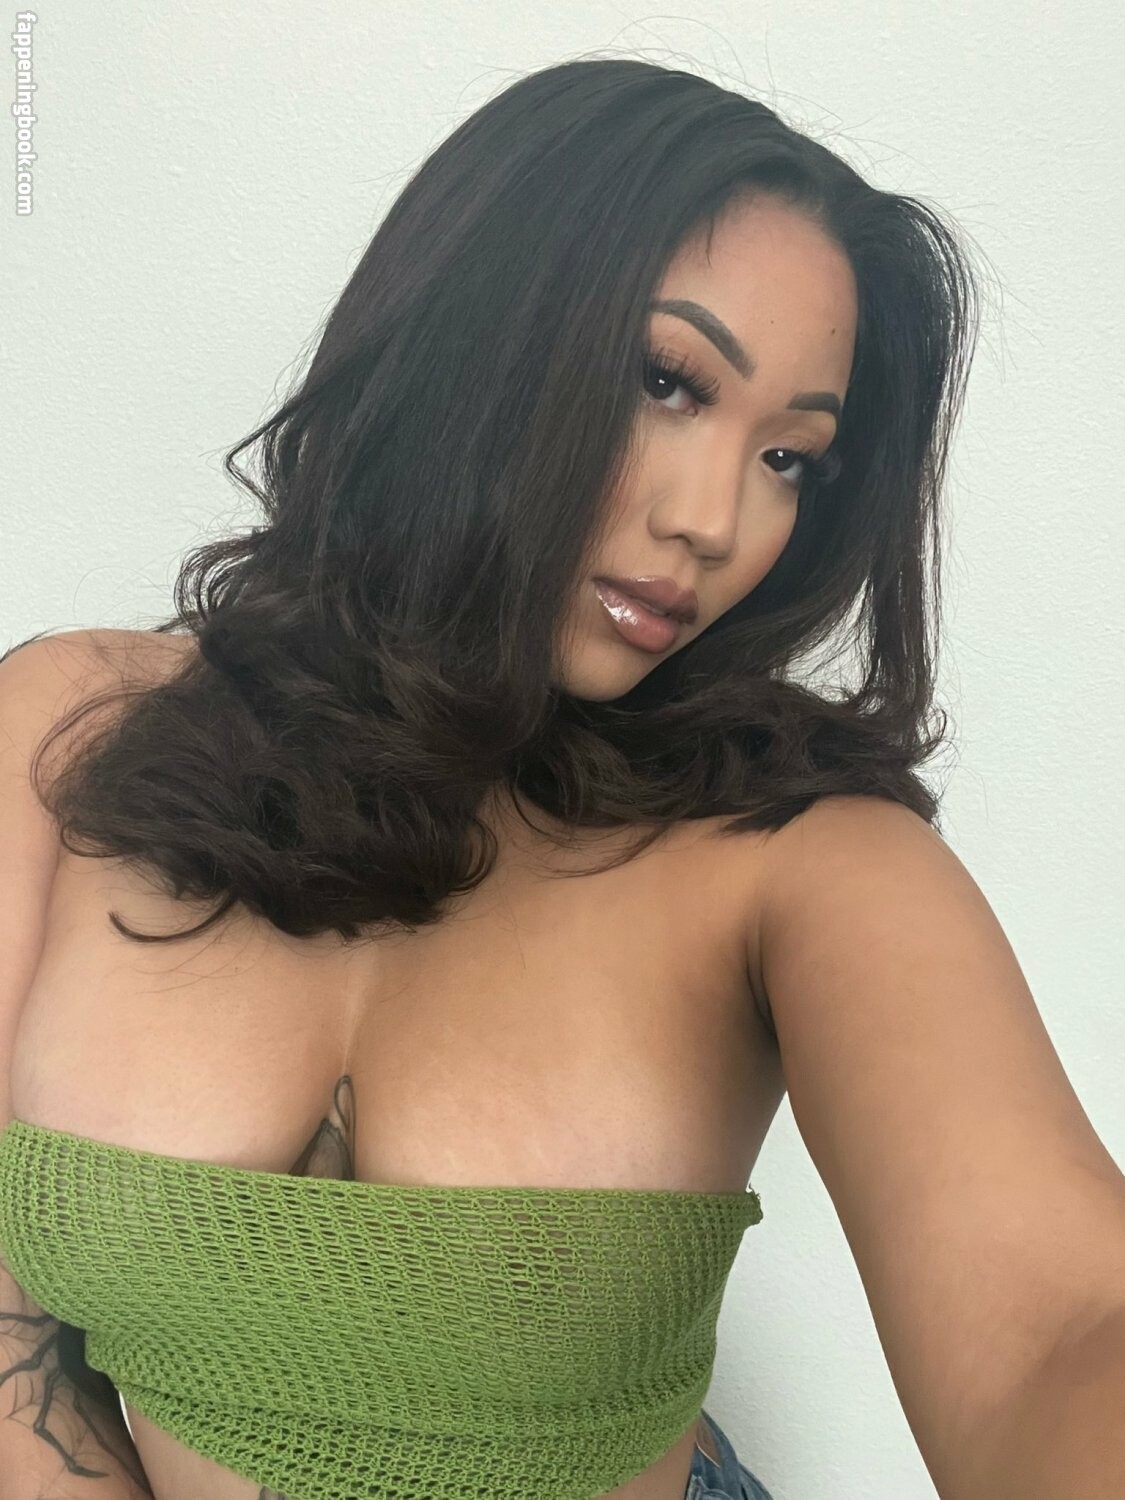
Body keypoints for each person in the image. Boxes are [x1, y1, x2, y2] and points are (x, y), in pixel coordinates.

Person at [1, 55, 1122, 1500]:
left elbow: (1058, 1328)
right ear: (474, 330)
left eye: (790, 459)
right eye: (667, 382)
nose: (717, 522)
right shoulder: (69, 728)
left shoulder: (801, 855)